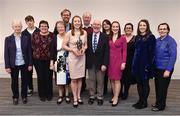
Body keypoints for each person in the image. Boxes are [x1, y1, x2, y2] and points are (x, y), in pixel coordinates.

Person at [4, 20, 32, 105]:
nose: (17, 28)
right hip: (13, 64)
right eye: (15, 26)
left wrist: (30, 64)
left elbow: (29, 52)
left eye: (19, 26)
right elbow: (6, 53)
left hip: (24, 63)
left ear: (21, 27)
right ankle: (15, 97)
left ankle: (24, 96)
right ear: (12, 27)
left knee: (25, 81)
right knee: (14, 81)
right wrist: (7, 66)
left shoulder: (26, 38)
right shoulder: (8, 39)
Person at [63, 15, 87, 108]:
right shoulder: (69, 33)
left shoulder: (84, 32)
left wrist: (83, 50)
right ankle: (75, 98)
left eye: (79, 21)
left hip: (81, 57)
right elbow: (64, 45)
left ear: (81, 22)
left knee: (80, 78)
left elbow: (86, 45)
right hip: (73, 58)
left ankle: (79, 96)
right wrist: (72, 50)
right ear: (73, 23)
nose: (77, 23)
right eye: (75, 21)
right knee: (73, 79)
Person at [151, 23, 177, 111]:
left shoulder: (171, 41)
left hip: (165, 69)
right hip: (157, 68)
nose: (162, 30)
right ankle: (158, 102)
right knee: (158, 87)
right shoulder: (157, 40)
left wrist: (168, 70)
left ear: (168, 30)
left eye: (164, 29)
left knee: (163, 88)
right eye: (160, 29)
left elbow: (173, 56)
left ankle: (161, 106)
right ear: (158, 30)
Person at [132, 19, 156, 109]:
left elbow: (152, 53)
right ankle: (140, 100)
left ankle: (144, 102)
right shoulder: (137, 37)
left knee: (145, 84)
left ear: (147, 26)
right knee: (139, 83)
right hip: (137, 64)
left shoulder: (151, 37)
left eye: (144, 25)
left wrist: (148, 66)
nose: (142, 27)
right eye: (140, 25)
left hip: (145, 65)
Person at [86, 20, 109, 106]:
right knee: (91, 80)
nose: (96, 26)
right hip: (90, 62)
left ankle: (100, 97)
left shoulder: (105, 36)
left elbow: (107, 52)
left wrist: (105, 64)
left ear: (100, 26)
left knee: (100, 81)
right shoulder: (88, 36)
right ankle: (92, 96)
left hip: (101, 63)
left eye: (98, 25)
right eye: (94, 24)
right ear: (92, 25)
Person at [31, 20, 54, 102]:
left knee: (49, 77)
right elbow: (32, 47)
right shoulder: (35, 35)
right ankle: (42, 94)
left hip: (49, 60)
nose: (44, 27)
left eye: (45, 26)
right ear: (39, 27)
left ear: (48, 27)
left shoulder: (52, 35)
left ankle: (49, 94)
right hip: (38, 60)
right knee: (41, 77)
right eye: (42, 26)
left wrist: (53, 60)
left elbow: (53, 49)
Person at [50, 21, 71, 104]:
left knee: (67, 78)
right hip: (58, 59)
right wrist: (51, 63)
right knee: (59, 79)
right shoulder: (55, 37)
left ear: (64, 27)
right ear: (56, 28)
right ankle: (60, 95)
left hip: (67, 59)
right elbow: (52, 51)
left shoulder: (68, 36)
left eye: (62, 27)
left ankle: (67, 95)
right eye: (58, 27)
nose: (60, 28)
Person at [108, 21, 127, 106]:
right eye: (113, 27)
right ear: (111, 28)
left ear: (119, 28)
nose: (115, 28)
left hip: (118, 61)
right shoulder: (109, 37)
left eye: (117, 27)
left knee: (117, 80)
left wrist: (123, 62)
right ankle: (114, 95)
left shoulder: (122, 38)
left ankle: (116, 97)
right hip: (110, 61)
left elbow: (125, 51)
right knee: (111, 79)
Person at [22, 15, 40, 97]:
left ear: (34, 21)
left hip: (38, 56)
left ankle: (41, 89)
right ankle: (30, 88)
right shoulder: (23, 33)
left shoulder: (39, 31)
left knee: (40, 73)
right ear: (26, 22)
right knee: (28, 73)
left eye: (31, 20)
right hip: (28, 56)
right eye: (28, 21)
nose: (30, 22)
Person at [121, 23, 136, 100]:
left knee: (127, 77)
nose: (128, 29)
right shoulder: (121, 37)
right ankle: (119, 91)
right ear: (124, 29)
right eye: (127, 28)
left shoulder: (135, 38)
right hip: (121, 60)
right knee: (120, 77)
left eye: (130, 28)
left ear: (132, 29)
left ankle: (126, 92)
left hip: (130, 61)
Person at [81, 11, 93, 93]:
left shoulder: (93, 28)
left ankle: (92, 89)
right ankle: (82, 87)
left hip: (91, 54)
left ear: (90, 19)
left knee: (92, 73)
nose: (86, 19)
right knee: (81, 71)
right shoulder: (79, 28)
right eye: (85, 17)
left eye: (88, 17)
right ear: (82, 18)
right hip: (80, 54)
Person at [102, 19, 111, 94]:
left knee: (112, 75)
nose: (105, 25)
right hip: (104, 57)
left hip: (112, 57)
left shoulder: (113, 34)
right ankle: (104, 90)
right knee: (104, 75)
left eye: (107, 24)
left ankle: (113, 90)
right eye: (104, 24)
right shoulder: (101, 34)